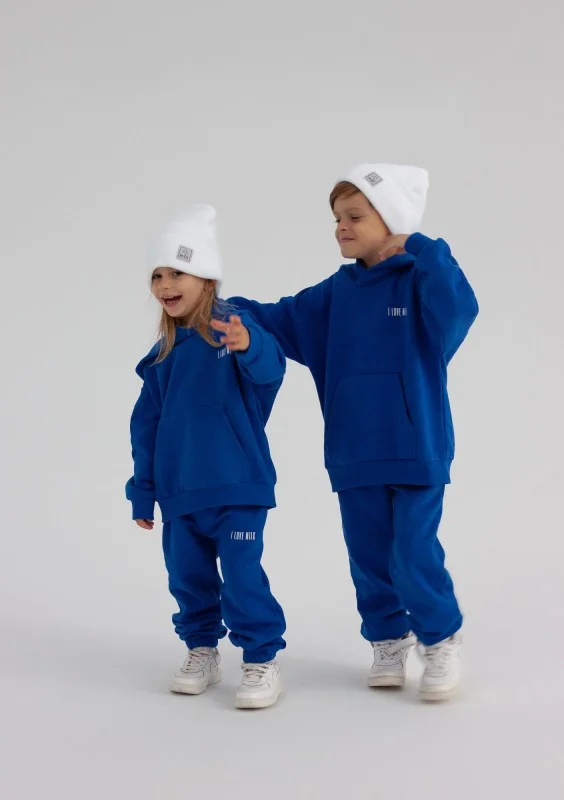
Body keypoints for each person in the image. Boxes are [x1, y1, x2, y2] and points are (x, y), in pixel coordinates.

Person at [230, 164, 479, 701]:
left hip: (416, 446)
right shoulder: (334, 294)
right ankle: (388, 640)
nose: (340, 227)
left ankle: (440, 639)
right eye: (336, 218)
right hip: (353, 451)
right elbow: (276, 318)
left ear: (392, 220)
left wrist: (422, 245)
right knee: (368, 556)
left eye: (354, 217)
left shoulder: (422, 280)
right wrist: (218, 307)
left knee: (412, 551)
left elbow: (461, 308)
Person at [126, 204, 286, 709]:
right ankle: (202, 650)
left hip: (237, 487)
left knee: (242, 577)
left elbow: (270, 370)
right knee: (187, 579)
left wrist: (248, 343)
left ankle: (261, 658)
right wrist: (144, 491)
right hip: (181, 495)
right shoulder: (162, 357)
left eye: (177, 272)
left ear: (207, 278)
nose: (164, 284)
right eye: (157, 275)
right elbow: (145, 429)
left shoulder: (234, 326)